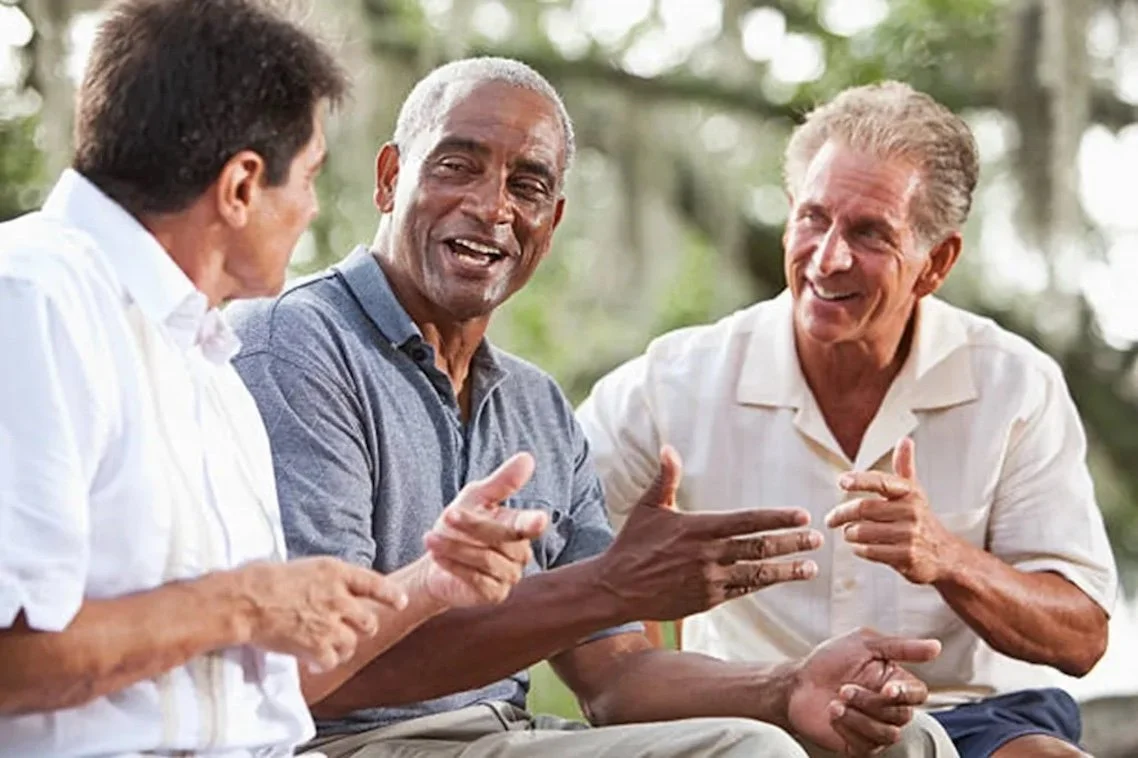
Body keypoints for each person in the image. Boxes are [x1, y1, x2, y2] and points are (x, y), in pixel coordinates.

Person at [229, 57, 958, 758]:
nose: (493, 207)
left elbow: (614, 678)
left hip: (508, 733)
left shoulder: (536, 404)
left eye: (528, 185)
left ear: (553, 221)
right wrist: (611, 585)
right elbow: (316, 671)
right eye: (458, 165)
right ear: (391, 178)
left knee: (905, 741)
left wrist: (788, 686)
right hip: (348, 743)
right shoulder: (296, 344)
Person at [0, 3, 545, 756]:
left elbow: (270, 679)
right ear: (241, 186)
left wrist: (430, 580)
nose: (314, 209)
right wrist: (243, 603)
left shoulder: (206, 359)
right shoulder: (32, 301)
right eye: (311, 176)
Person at [577, 81, 1118, 758]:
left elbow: (1081, 635)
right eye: (813, 218)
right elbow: (556, 546)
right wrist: (632, 666)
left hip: (963, 718)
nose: (828, 257)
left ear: (937, 263)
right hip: (750, 715)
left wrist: (946, 558)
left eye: (869, 233)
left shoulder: (1016, 384)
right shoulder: (675, 379)